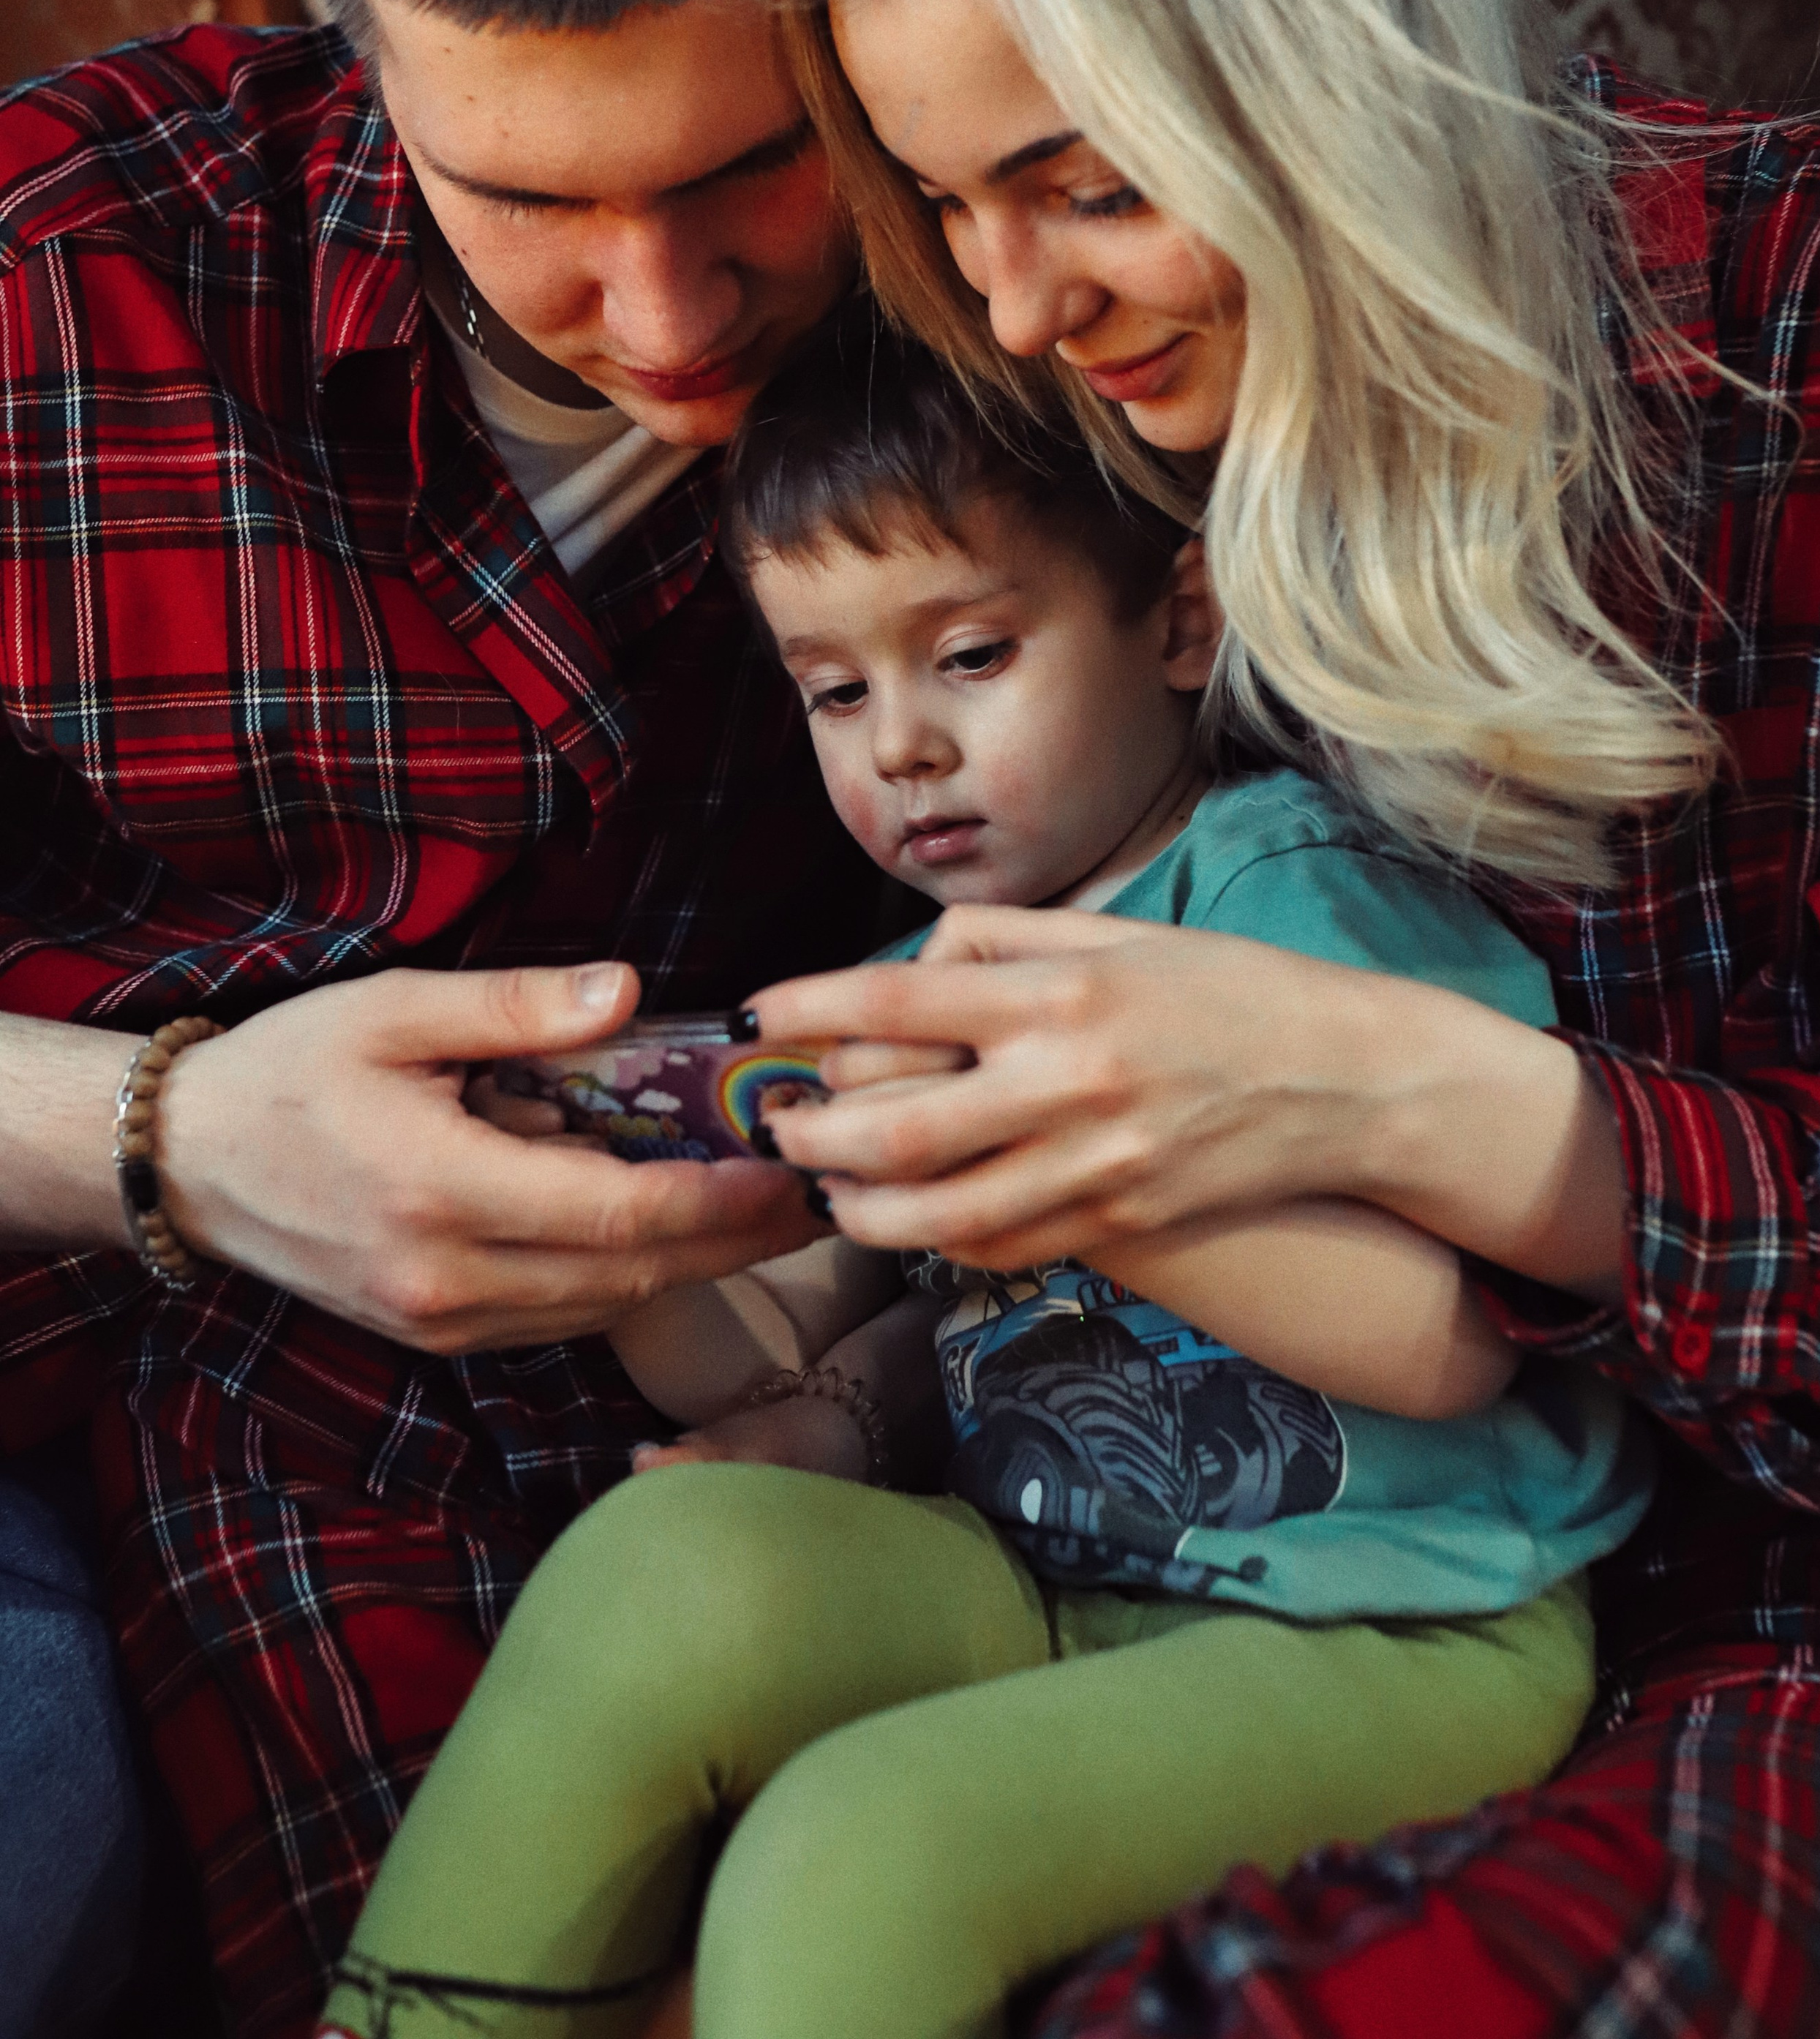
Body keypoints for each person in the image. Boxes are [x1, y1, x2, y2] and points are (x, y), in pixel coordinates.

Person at [744, 0, 1820, 2034]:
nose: (1013, 308)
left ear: (1318, 44)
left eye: (1089, 181)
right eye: (949, 205)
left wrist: (1401, 1092)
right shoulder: (1144, 477)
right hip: (1350, 1566)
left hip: (1787, 1599)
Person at [321, 314, 1648, 2039]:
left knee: (849, 1850)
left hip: (1400, 1620)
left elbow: (1450, 1340)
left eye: (967, 655)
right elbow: (790, 1340)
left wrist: (1047, 1180)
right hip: (1046, 1583)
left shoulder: (1283, 894)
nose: (901, 748)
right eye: (834, 689)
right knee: (661, 1555)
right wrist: (637, 1230)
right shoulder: (924, 968)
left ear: (1175, 617)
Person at [0, 0, 888, 2035]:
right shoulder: (67, 285)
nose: (669, 311)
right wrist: (170, 1140)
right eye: (525, 197)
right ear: (345, 18)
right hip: (73, 1374)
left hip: (687, 1441)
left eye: (749, 166)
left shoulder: (1007, 299)